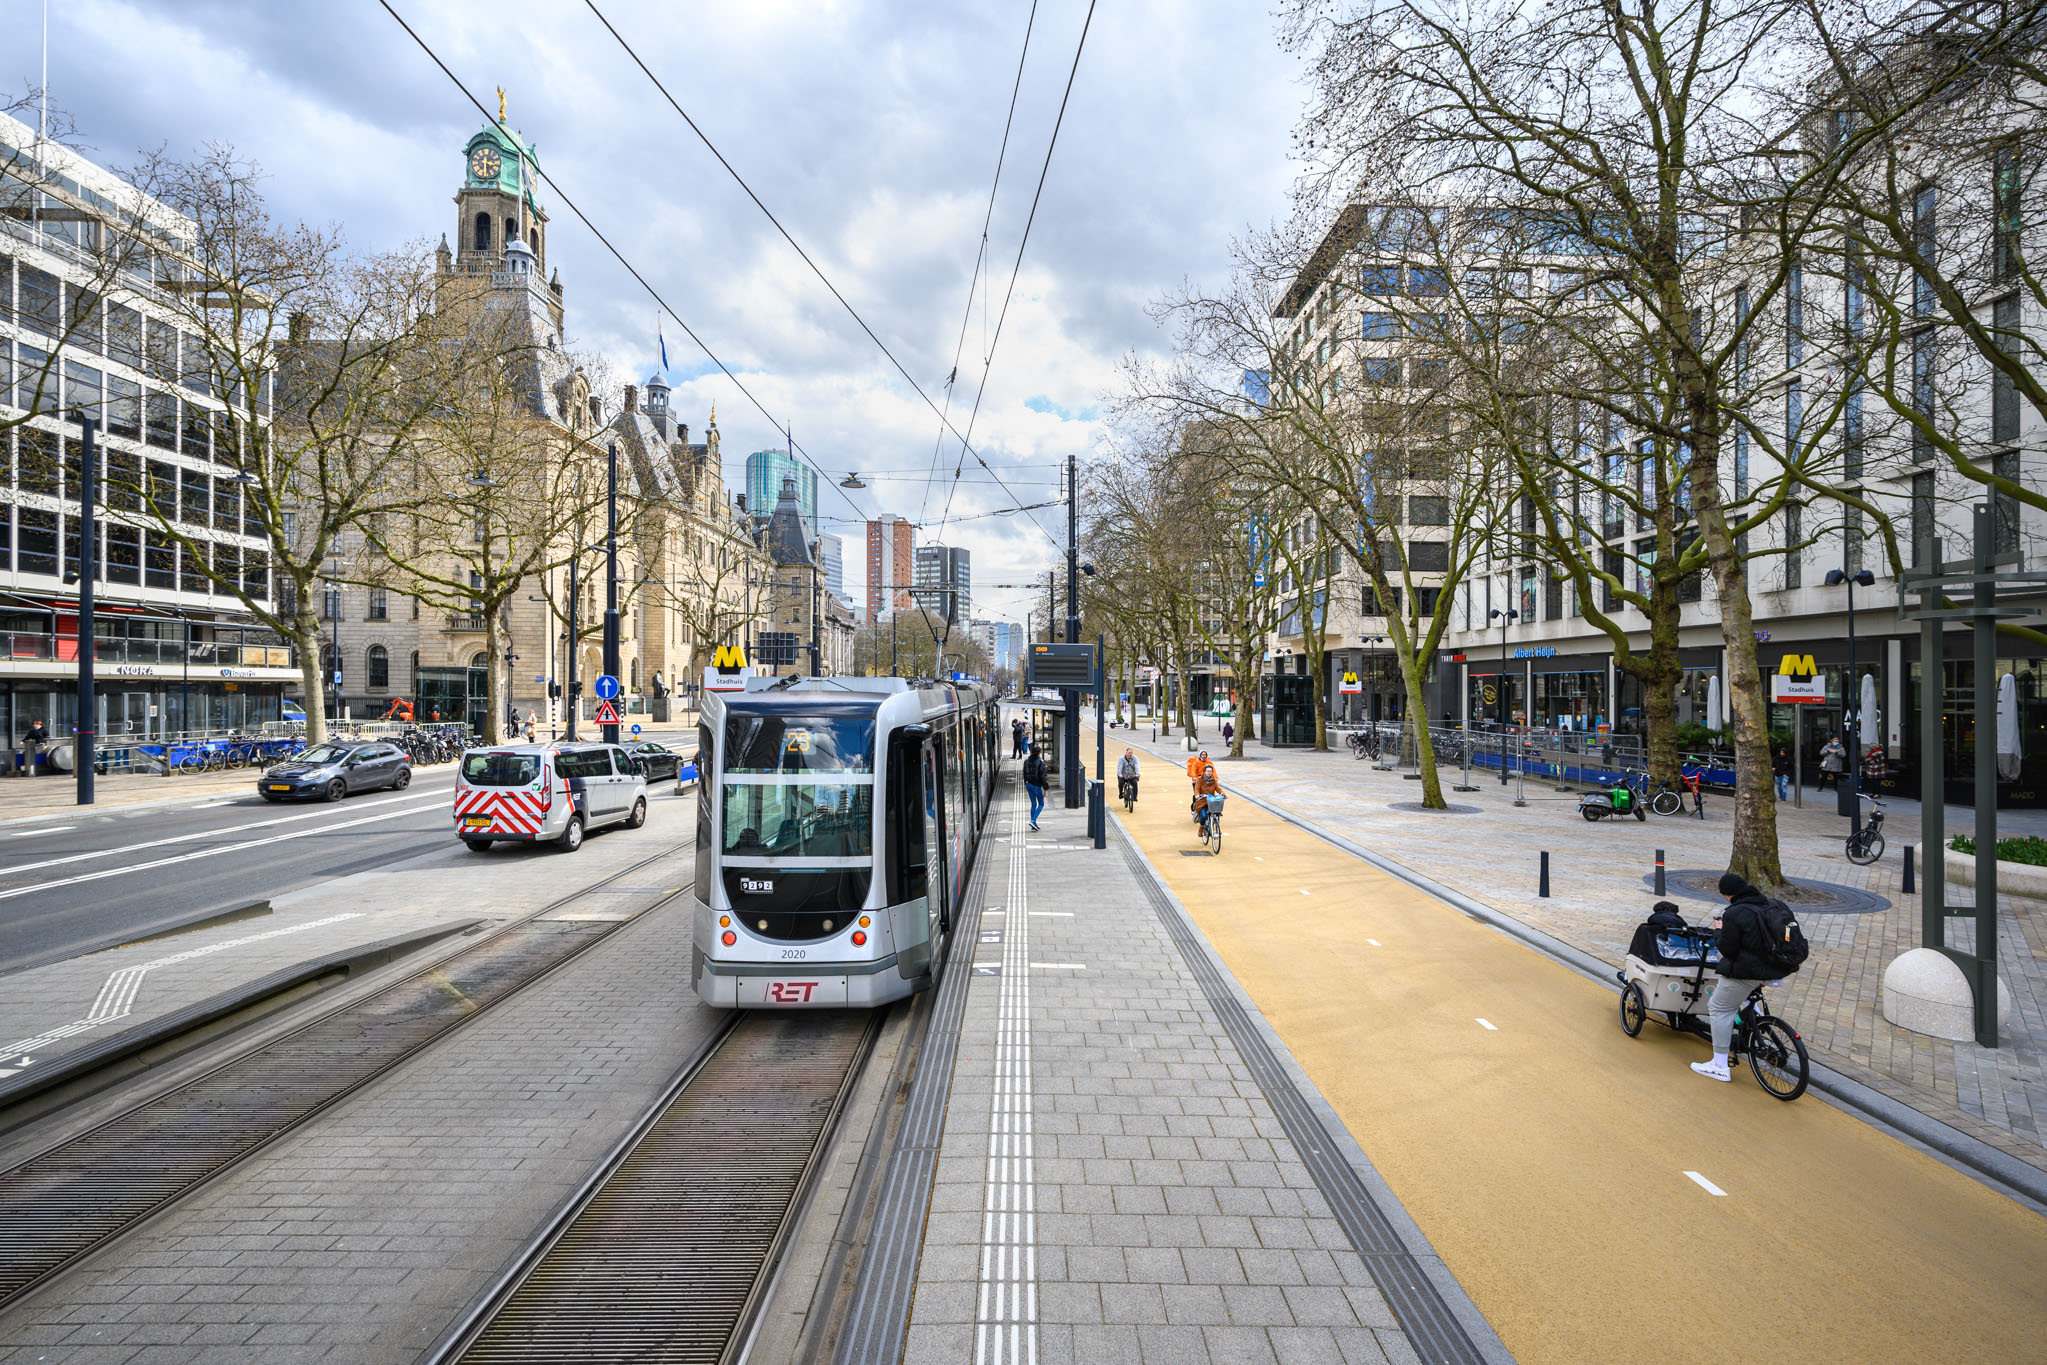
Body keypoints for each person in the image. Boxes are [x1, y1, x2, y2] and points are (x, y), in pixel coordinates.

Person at [1691, 872, 1791, 1083]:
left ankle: (1719, 1065)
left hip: (1748, 971)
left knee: (1718, 1008)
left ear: (1728, 895)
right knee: (1742, 996)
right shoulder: (1771, 904)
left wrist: (1719, 932)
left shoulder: (1734, 913)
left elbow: (1728, 949)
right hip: (1776, 968)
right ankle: (1753, 1018)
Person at [1190, 756, 1222, 834]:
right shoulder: (1200, 780)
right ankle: (1201, 828)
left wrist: (1223, 794)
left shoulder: (1213, 780)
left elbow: (1218, 789)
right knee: (1204, 816)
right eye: (1208, 771)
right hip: (1202, 801)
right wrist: (1197, 795)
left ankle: (1216, 827)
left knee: (1217, 813)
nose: (1209, 773)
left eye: (1210, 771)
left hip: (1211, 801)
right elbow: (1197, 789)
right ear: (1204, 771)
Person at [1022, 743, 1048, 831]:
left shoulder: (1026, 761)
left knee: (1033, 804)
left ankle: (1033, 826)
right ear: (1039, 753)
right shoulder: (1041, 762)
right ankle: (1033, 821)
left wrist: (1026, 783)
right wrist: (1045, 788)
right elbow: (1043, 776)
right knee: (1041, 804)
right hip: (1037, 786)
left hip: (1029, 784)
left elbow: (1024, 774)